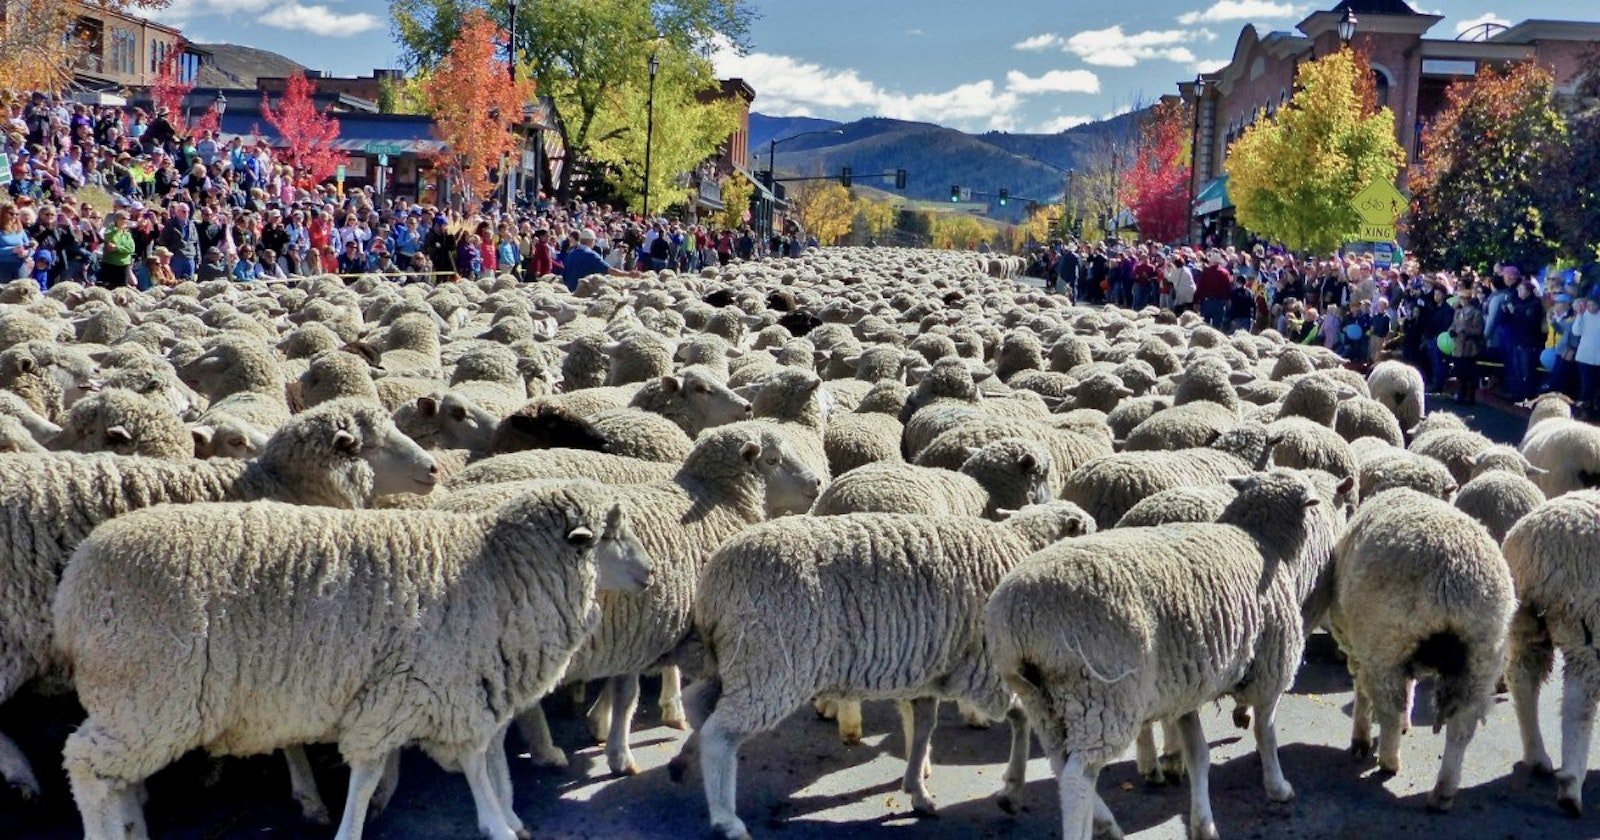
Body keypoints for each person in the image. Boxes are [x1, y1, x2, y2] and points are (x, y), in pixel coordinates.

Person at [561, 227, 632, 291]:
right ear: (591, 241)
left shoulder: (571, 253)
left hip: (568, 291)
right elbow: (610, 270)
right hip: (582, 292)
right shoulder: (591, 255)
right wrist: (629, 274)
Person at [1450, 285, 1486, 406]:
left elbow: (1479, 330)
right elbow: (1453, 325)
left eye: (1463, 299)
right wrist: (1452, 331)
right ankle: (1460, 394)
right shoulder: (1458, 312)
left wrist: (1467, 331)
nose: (1461, 301)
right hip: (1458, 346)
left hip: (1470, 348)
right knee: (1459, 373)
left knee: (1469, 374)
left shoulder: (1476, 313)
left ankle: (1470, 396)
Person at [1571, 296, 1600, 417]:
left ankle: (1596, 405)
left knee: (1597, 383)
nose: (1591, 308)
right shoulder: (1584, 315)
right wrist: (1579, 315)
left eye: (1594, 305)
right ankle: (1584, 406)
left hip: (1597, 356)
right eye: (1589, 305)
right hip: (1584, 356)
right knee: (1586, 383)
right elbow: (1576, 331)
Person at [98, 210, 135, 289]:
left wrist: (116, 248)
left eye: (128, 219)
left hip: (123, 265)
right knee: (107, 288)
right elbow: (107, 238)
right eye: (124, 218)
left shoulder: (127, 234)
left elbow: (131, 248)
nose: (126, 221)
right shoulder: (110, 230)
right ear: (117, 219)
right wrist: (117, 229)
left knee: (121, 289)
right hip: (110, 263)